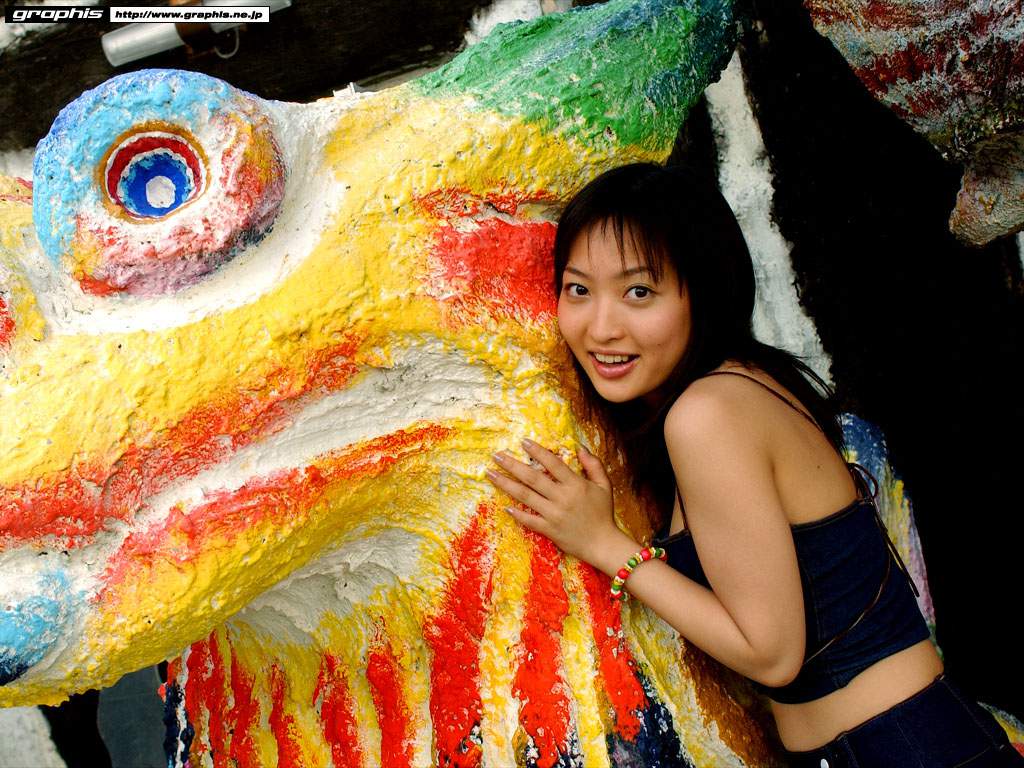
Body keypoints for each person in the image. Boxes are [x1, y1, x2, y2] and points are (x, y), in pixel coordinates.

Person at [485, 163, 1024, 767]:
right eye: (578, 289)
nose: (602, 327)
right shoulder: (742, 385)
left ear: (703, 292)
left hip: (904, 750)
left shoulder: (707, 414)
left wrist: (603, 543)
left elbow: (772, 655)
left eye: (639, 292)